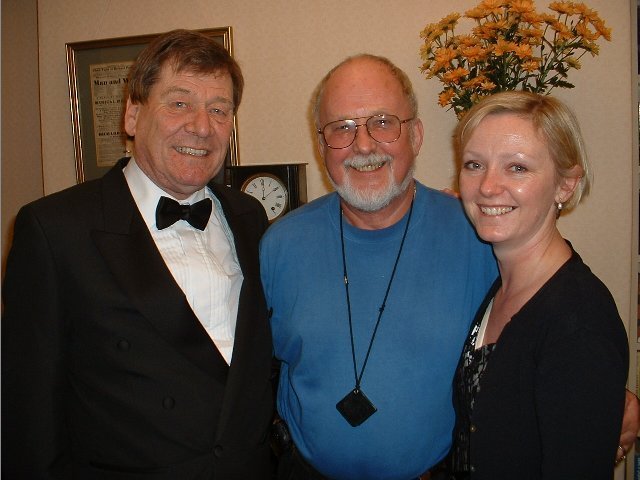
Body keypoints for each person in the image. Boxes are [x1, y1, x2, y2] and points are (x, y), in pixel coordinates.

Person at [259, 54, 637, 480]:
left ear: (416, 135)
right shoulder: (279, 246)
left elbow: (556, 332)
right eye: (341, 128)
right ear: (321, 142)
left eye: (383, 122)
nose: (363, 145)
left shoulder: (480, 237)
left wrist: (605, 398)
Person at [2, 29, 273, 479]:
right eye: (179, 103)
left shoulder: (250, 215)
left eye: (219, 110)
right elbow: (26, 412)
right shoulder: (54, 230)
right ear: (132, 114)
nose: (202, 127)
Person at [448, 91, 628, 479]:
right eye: (474, 164)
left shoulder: (579, 319)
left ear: (565, 184)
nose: (488, 186)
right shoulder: (502, 289)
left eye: (517, 168)